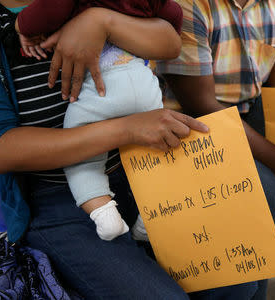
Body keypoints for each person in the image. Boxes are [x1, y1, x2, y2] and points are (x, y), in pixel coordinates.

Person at [0, 0, 261, 298]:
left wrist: (102, 21)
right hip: (58, 195)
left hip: (147, 166)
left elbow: (169, 39)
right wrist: (125, 129)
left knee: (240, 278)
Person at [156, 0, 275, 299]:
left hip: (251, 110)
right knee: (264, 192)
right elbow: (203, 107)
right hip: (192, 124)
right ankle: (252, 286)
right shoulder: (190, 6)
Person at [12, 0, 183, 242]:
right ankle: (153, 217)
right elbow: (174, 14)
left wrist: (21, 26)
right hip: (144, 85)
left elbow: (48, 11)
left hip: (103, 87)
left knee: (80, 154)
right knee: (154, 152)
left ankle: (103, 212)